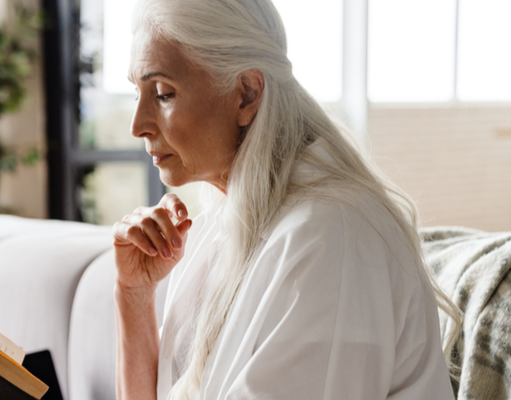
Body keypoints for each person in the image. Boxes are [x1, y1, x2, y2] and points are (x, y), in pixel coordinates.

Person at [111, 0, 460, 399]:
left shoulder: (332, 239)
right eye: (137, 93)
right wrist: (133, 292)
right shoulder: (219, 229)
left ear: (246, 93)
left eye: (162, 93)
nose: (137, 124)